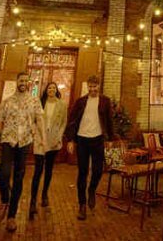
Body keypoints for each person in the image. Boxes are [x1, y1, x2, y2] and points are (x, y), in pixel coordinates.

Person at [0, 72, 44, 232]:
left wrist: (42, 138)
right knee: (3, 174)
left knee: (19, 178)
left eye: (26, 81)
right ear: (16, 81)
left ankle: (11, 216)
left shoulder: (34, 101)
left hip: (24, 142)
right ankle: (5, 200)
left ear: (29, 83)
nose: (23, 83)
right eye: (21, 80)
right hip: (8, 140)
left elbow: (40, 120)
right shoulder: (7, 102)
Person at [64, 75, 115, 221]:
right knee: (83, 172)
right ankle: (82, 205)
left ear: (99, 86)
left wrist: (111, 139)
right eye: (90, 87)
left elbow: (109, 121)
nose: (92, 89)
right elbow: (72, 120)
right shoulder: (80, 102)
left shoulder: (105, 101)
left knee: (98, 170)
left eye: (95, 86)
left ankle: (92, 189)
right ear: (88, 87)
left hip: (98, 139)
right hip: (82, 139)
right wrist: (70, 140)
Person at [30, 81, 67, 218]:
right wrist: (34, 132)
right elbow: (33, 120)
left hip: (54, 140)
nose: (51, 89)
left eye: (53, 88)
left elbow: (64, 122)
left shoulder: (62, 105)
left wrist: (59, 136)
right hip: (40, 139)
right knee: (38, 170)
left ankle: (44, 194)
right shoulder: (39, 103)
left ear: (56, 90)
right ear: (46, 90)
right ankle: (33, 201)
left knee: (49, 169)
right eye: (49, 88)